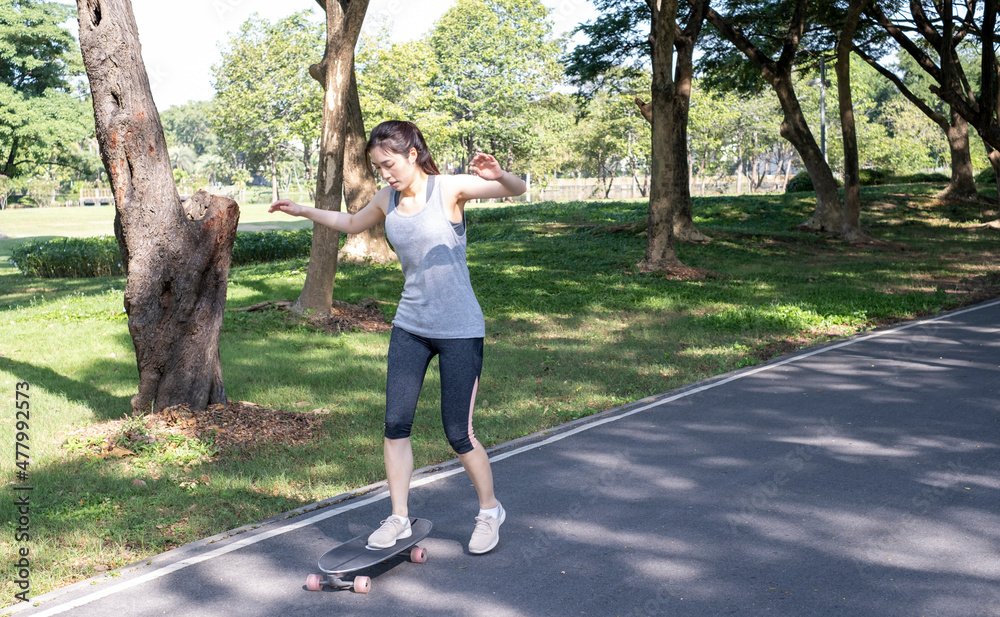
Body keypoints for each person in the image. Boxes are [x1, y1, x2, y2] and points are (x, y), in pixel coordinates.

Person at [269, 120, 526, 554]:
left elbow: (515, 190)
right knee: (395, 426)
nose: (384, 174)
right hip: (410, 326)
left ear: (412, 154)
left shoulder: (447, 190)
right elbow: (351, 223)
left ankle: (489, 511)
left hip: (459, 330)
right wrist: (304, 211)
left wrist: (499, 175)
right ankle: (399, 517)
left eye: (389, 164)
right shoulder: (387, 198)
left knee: (458, 433)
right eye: (377, 167)